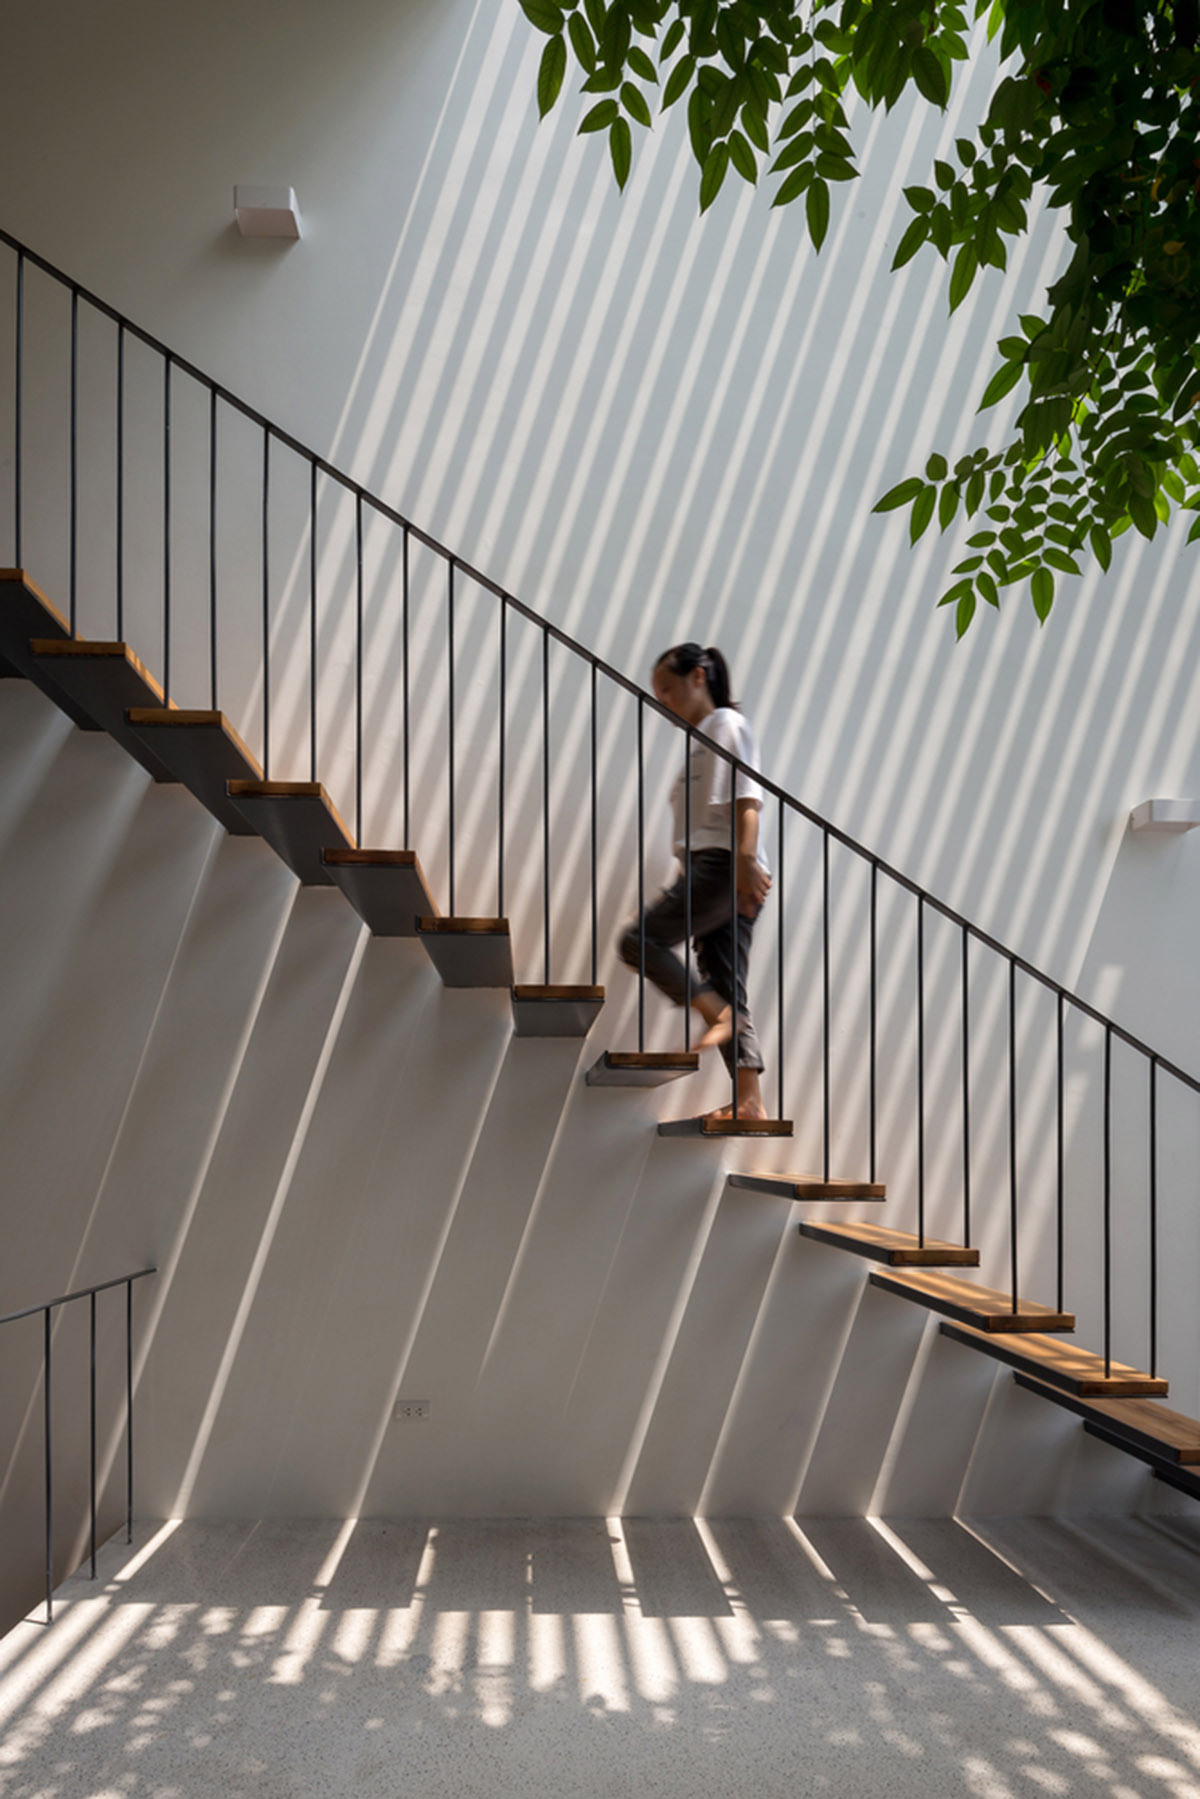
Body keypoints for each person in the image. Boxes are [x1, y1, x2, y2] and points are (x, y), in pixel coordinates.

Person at [618, 642, 771, 1121]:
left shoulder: (725, 724)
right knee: (728, 983)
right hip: (716, 869)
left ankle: (714, 1013)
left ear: (698, 677)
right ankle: (750, 1103)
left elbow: (747, 794)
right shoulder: (704, 738)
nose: (662, 701)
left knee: (637, 940)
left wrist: (746, 859)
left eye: (667, 689)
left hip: (725, 866)